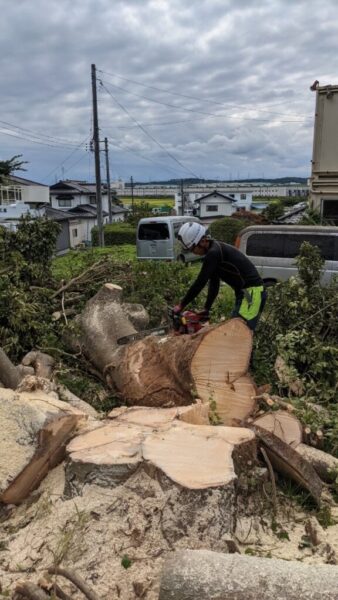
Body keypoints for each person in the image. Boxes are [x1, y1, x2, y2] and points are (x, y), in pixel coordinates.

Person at [174, 222, 267, 331]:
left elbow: (200, 282)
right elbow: (214, 284)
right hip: (246, 292)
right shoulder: (215, 251)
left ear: (203, 241)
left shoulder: (214, 253)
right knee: (235, 330)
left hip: (251, 294)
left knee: (237, 333)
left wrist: (181, 305)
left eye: (192, 248)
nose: (193, 252)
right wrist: (206, 308)